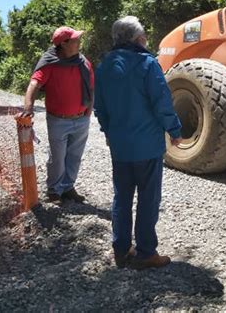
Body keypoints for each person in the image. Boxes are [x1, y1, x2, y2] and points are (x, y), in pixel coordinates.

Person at [94, 16, 182, 270]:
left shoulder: (104, 66)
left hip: (120, 147)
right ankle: (145, 253)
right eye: (143, 36)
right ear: (138, 39)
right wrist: (174, 130)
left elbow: (100, 107)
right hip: (147, 147)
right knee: (147, 198)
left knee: (121, 197)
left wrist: (110, 133)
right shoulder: (147, 64)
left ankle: (121, 251)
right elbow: (162, 103)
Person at [21, 26, 94, 206]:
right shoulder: (50, 63)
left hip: (81, 118)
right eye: (75, 39)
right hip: (58, 120)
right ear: (64, 43)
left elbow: (91, 87)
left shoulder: (83, 62)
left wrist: (88, 111)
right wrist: (28, 106)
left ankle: (68, 187)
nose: (79, 42)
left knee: (74, 156)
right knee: (57, 157)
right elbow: (34, 84)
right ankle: (54, 190)